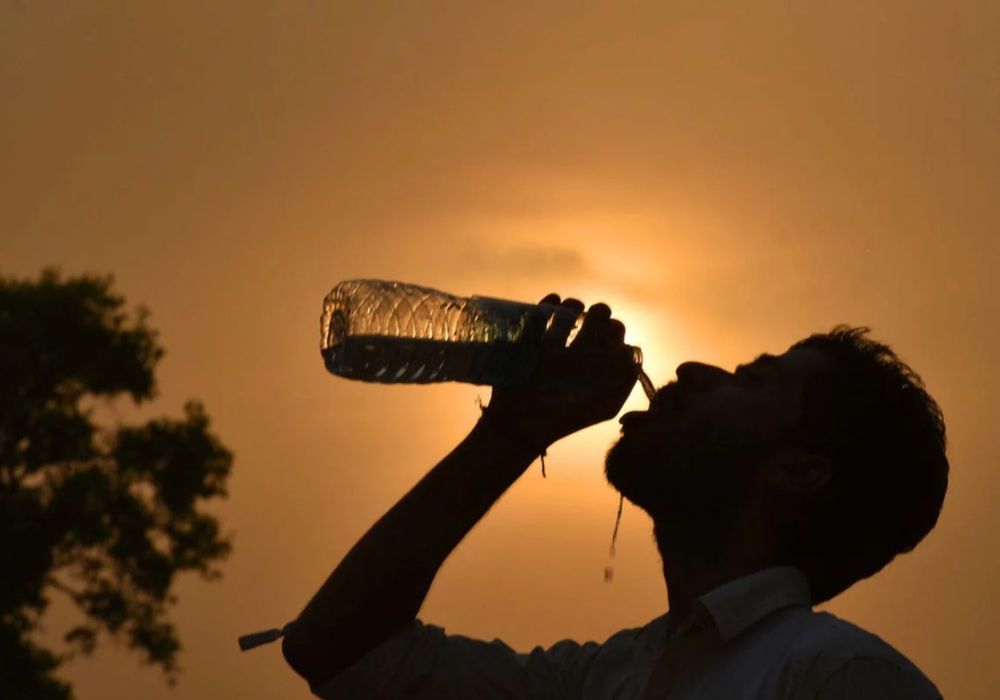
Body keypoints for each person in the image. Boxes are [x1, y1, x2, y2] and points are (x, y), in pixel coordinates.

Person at [279, 294, 948, 699]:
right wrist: (514, 431)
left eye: (750, 380)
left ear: (800, 472)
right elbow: (336, 648)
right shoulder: (603, 681)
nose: (692, 371)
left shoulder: (840, 679)